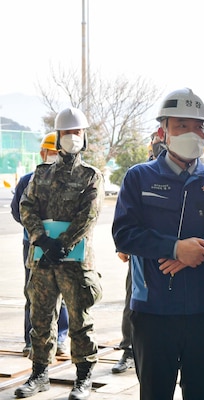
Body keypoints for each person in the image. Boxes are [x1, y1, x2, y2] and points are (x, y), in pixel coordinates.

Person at [112, 88, 204, 400]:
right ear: (164, 133)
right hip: (153, 314)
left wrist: (202, 250)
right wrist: (174, 248)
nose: (192, 133)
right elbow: (125, 234)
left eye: (198, 126)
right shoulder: (139, 178)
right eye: (181, 126)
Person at [16, 107, 104, 400]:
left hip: (75, 262)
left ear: (84, 137)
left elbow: (89, 215)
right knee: (40, 319)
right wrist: (41, 239)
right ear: (57, 137)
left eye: (77, 132)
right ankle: (39, 373)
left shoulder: (92, 176)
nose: (72, 138)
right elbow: (26, 206)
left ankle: (83, 377)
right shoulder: (41, 175)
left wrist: (63, 244)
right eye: (67, 133)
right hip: (42, 261)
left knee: (80, 321)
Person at [10, 131, 69, 358]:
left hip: (62, 245)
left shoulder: (71, 177)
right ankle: (31, 340)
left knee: (62, 291)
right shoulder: (28, 179)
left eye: (57, 152)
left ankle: (60, 338)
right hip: (34, 245)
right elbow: (18, 213)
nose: (53, 156)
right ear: (42, 153)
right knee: (33, 293)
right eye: (50, 152)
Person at [111, 132, 166, 375]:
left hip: (173, 256)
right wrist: (123, 247)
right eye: (157, 139)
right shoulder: (139, 175)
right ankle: (128, 350)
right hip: (141, 255)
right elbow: (125, 216)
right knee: (132, 303)